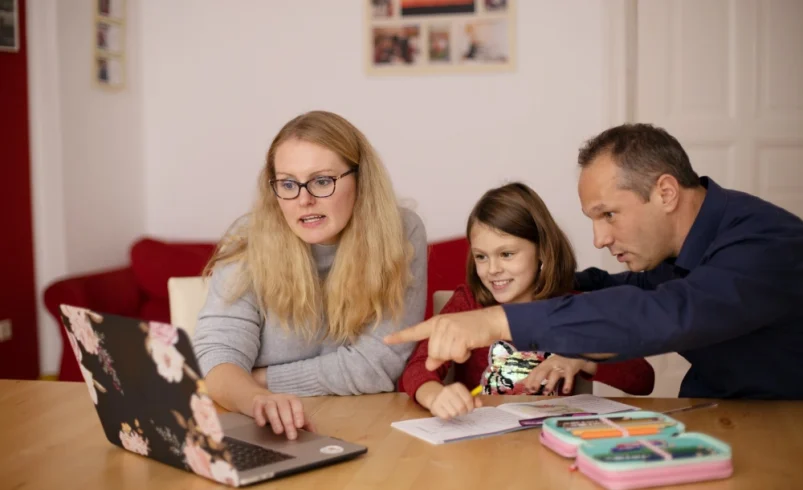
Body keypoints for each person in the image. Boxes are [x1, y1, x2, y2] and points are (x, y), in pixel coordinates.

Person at [386, 123, 803, 400]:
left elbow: (666, 312)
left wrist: (498, 321)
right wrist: (543, 284)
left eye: (609, 215)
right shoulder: (673, 253)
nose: (599, 239)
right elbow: (616, 287)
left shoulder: (766, 244)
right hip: (713, 413)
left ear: (665, 193)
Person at [193, 110, 428, 440]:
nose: (304, 200)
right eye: (288, 184)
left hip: (367, 427)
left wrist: (256, 379)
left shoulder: (400, 232)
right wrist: (256, 398)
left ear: (361, 180)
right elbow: (216, 359)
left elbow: (378, 366)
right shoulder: (248, 239)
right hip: (261, 426)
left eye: (322, 181)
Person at [398, 183, 654, 419]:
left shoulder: (572, 308)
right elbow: (417, 369)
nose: (493, 269)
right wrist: (435, 395)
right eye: (481, 257)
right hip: (481, 441)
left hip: (550, 438)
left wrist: (583, 357)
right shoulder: (467, 303)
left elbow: (643, 379)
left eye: (506, 254)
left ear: (542, 251)